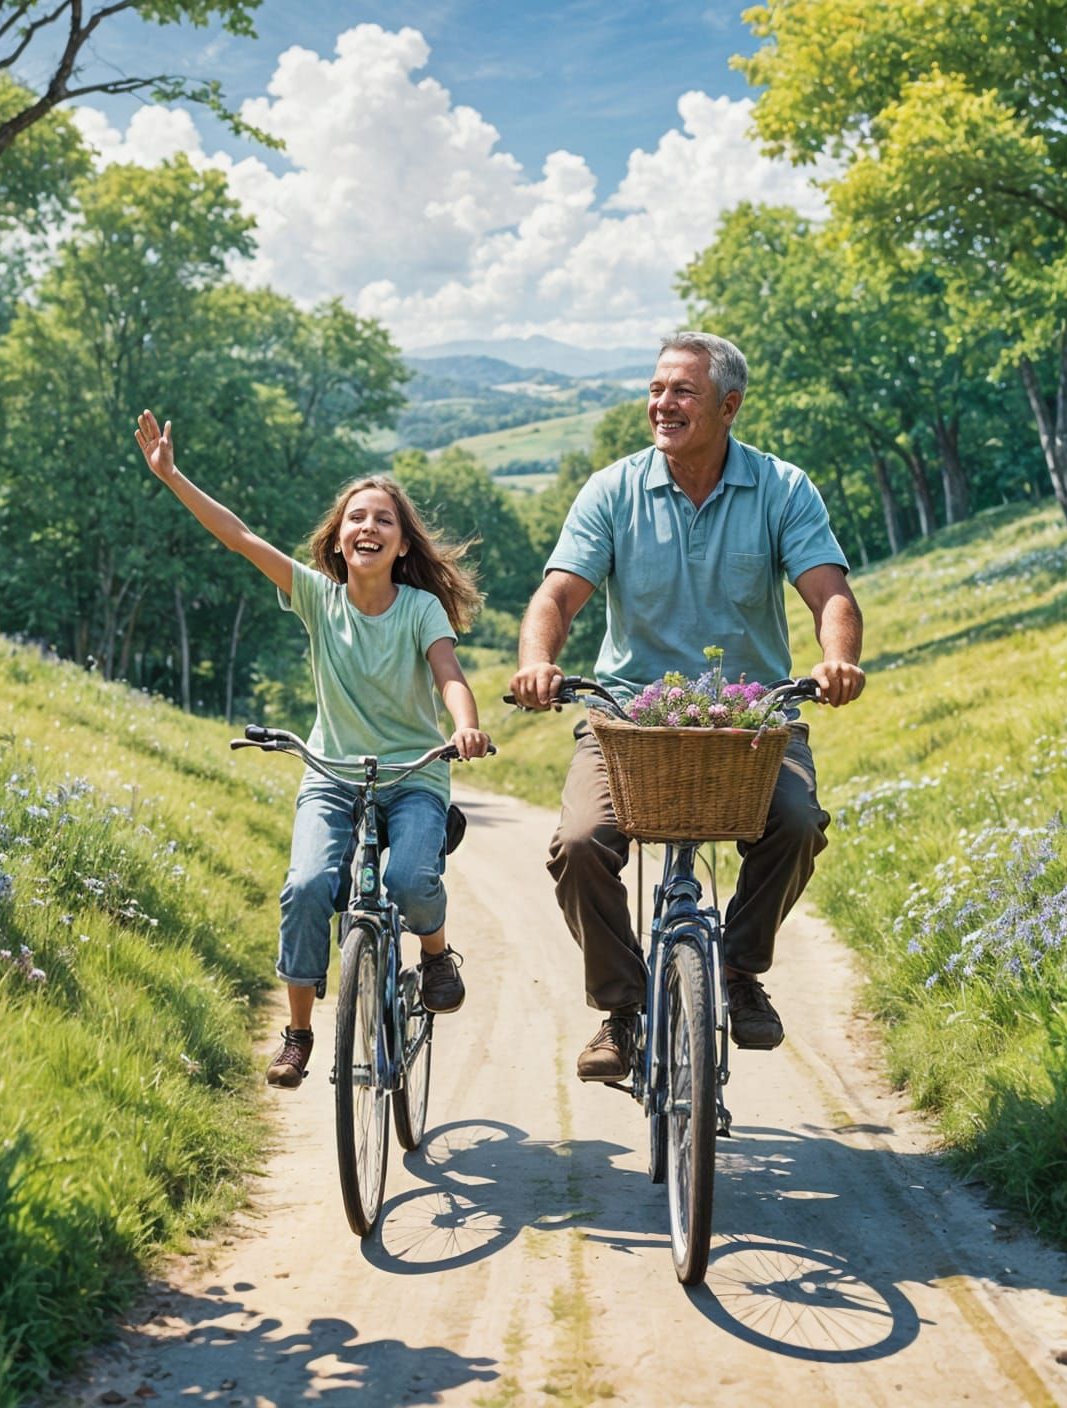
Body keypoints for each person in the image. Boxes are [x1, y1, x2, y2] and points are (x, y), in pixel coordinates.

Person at [509, 332, 865, 1083]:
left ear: (729, 407)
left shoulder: (781, 488)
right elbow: (559, 594)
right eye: (656, 389)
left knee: (797, 822)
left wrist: (837, 659)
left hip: (751, 720)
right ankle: (622, 1008)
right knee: (580, 844)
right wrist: (537, 660)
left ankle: (738, 971)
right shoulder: (612, 490)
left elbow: (829, 591)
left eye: (682, 392)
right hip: (628, 719)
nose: (661, 404)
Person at [135, 410, 493, 1090]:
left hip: (416, 775)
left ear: (402, 545)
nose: (368, 527)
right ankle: (299, 1033)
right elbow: (238, 538)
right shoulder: (317, 599)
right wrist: (173, 477)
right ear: (338, 537)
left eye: (384, 519)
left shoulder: (419, 610)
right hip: (332, 776)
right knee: (305, 888)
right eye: (356, 517)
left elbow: (450, 676)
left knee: (410, 882)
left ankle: (438, 954)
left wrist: (465, 726)